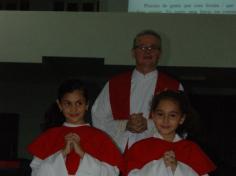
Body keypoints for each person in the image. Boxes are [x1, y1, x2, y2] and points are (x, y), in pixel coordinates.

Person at [92, 29, 184, 152]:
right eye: (142, 47)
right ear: (133, 53)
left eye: (153, 48)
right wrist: (125, 125)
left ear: (160, 54)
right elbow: (98, 118)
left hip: (159, 153)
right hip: (120, 152)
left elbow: (184, 123)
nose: (147, 51)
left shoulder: (173, 86)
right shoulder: (115, 84)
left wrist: (149, 124)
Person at [28, 79, 124, 176]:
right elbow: (36, 172)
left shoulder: (100, 137)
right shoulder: (49, 137)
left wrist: (82, 154)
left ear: (87, 105)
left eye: (79, 103)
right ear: (60, 105)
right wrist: (62, 153)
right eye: (68, 103)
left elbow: (112, 172)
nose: (73, 109)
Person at [124, 90, 216, 176]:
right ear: (153, 115)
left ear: (181, 119)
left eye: (172, 115)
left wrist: (177, 168)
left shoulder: (191, 149)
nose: (165, 120)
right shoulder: (139, 148)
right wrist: (160, 165)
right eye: (160, 114)